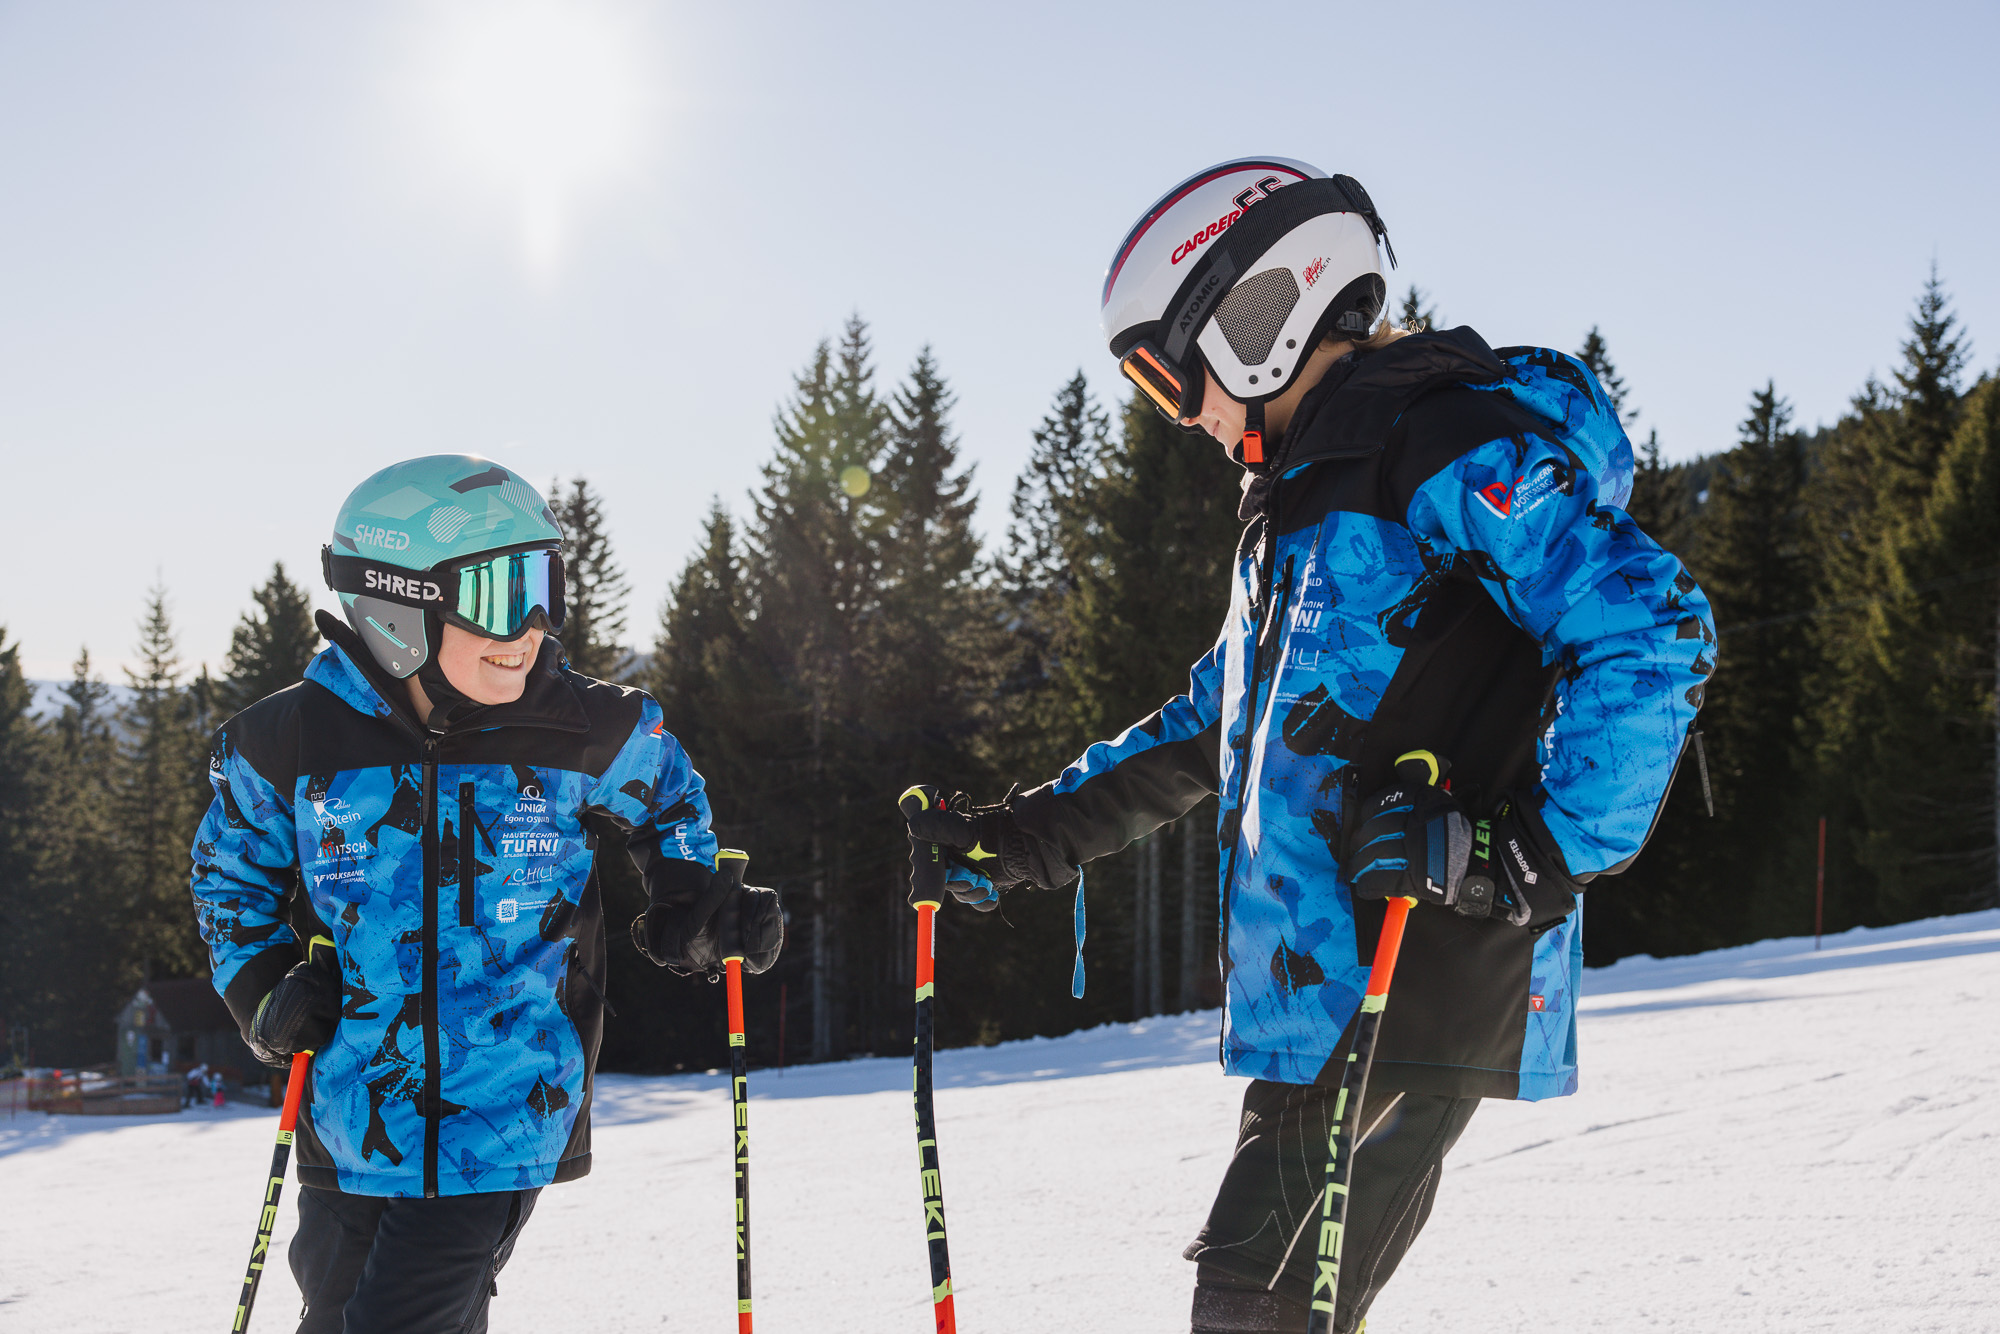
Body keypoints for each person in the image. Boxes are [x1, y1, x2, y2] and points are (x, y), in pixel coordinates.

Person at [904, 158, 1714, 1334]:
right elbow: (1214, 723)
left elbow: (1649, 622)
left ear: (1257, 316)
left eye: (1167, 369)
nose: (1178, 408)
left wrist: (1529, 850)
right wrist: (1024, 837)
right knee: (1262, 1304)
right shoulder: (1300, 498)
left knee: (1253, 1306)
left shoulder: (1438, 444)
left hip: (1414, 962)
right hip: (1320, 990)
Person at [190, 456, 784, 1333]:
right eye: (503, 593)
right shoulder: (287, 742)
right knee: (336, 1307)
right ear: (397, 606)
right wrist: (266, 989)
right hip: (351, 1109)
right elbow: (226, 875)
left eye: (545, 584)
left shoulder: (582, 725)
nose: (533, 625)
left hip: (506, 1106)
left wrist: (692, 899)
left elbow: (670, 802)